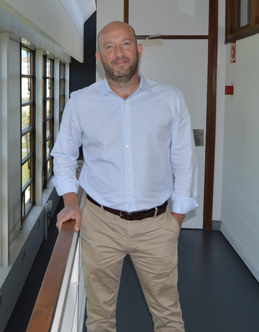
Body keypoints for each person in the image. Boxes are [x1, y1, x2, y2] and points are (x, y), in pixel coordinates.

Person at [51, 21, 198, 332]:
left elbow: (184, 160)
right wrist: (71, 201)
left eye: (126, 44)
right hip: (100, 224)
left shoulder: (170, 99)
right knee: (100, 318)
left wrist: (176, 220)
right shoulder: (80, 102)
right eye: (109, 46)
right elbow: (63, 155)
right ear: (99, 57)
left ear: (139, 50)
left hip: (157, 225)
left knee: (169, 316)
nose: (118, 53)